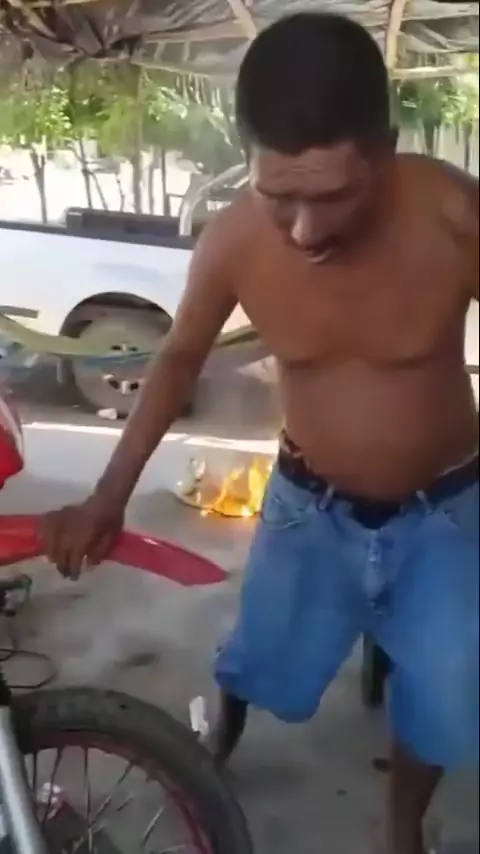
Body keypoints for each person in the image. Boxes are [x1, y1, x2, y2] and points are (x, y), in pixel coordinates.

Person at [42, 13, 478, 854]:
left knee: (445, 693)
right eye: (279, 196)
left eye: (333, 197)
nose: (305, 231)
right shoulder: (235, 240)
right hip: (307, 512)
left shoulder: (456, 217)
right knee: (259, 655)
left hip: (448, 514)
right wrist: (108, 496)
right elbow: (178, 360)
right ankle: (225, 727)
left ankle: (401, 828)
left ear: (386, 150)